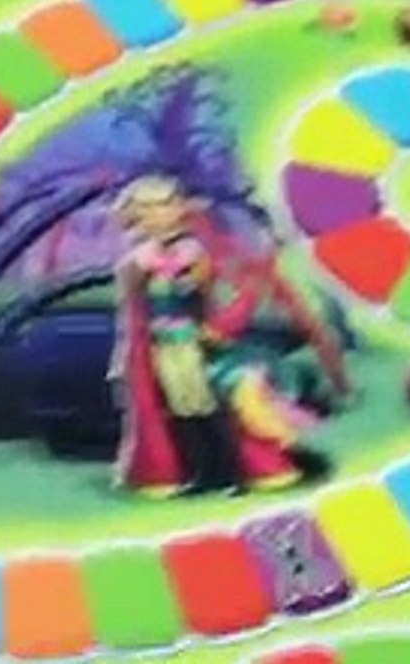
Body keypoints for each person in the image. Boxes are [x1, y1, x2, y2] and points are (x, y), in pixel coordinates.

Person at [111, 175, 313, 497]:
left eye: (166, 205)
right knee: (181, 409)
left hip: (194, 343)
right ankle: (198, 474)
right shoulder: (137, 262)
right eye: (150, 209)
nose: (161, 215)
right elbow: (134, 313)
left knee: (210, 405)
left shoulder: (194, 253)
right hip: (163, 347)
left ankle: (227, 473)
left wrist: (218, 325)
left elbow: (229, 293)